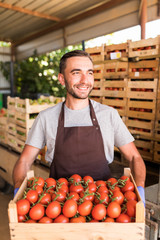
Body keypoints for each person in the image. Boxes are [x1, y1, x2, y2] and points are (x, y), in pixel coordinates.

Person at [13, 50, 146, 203]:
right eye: (76, 73)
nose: (85, 80)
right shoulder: (46, 118)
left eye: (89, 73)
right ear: (62, 79)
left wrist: (139, 188)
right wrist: (18, 188)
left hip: (104, 203)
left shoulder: (109, 115)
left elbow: (135, 157)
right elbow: (24, 161)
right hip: (59, 204)